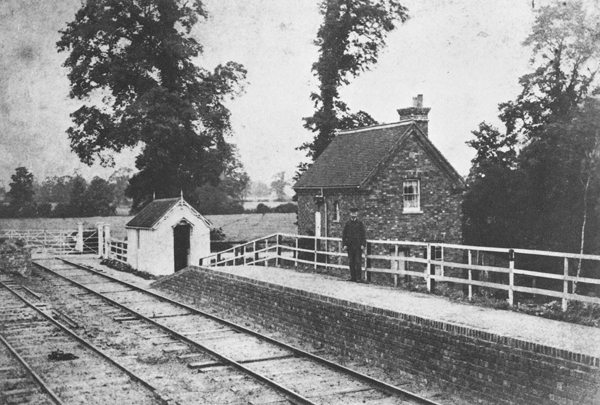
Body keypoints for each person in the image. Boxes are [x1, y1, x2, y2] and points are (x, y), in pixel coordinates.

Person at [342, 208, 367, 282]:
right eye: (352, 213)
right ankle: (353, 277)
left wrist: (363, 244)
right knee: (351, 262)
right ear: (350, 214)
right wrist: (344, 245)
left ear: (357, 214)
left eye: (355, 213)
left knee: (358, 261)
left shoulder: (360, 223)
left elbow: (363, 235)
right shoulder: (348, 224)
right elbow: (344, 235)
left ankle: (358, 278)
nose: (353, 214)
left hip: (358, 246)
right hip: (350, 246)